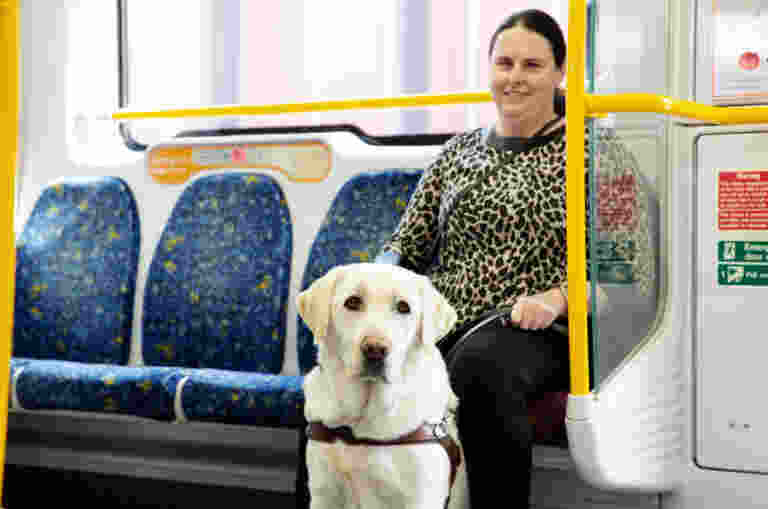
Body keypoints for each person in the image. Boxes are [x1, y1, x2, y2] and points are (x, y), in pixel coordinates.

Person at [295, 9, 653, 508]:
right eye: (504, 63)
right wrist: (374, 288)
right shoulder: (457, 152)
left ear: (559, 73)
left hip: (541, 329)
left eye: (532, 64)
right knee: (334, 371)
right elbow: (404, 246)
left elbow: (626, 274)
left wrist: (556, 300)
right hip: (446, 320)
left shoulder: (599, 155)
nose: (516, 77)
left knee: (483, 369)